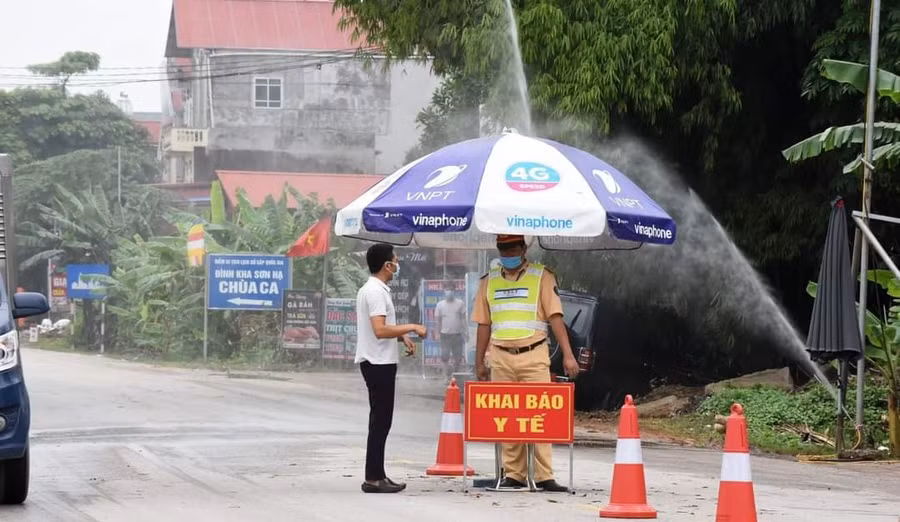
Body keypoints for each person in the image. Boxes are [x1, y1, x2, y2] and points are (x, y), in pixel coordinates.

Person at [473, 234, 580, 493]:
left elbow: (555, 318)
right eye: (502, 248)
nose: (506, 253)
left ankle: (543, 475)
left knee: (539, 416)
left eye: (511, 247)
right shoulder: (488, 281)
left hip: (533, 355)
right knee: (507, 418)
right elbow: (483, 325)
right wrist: (479, 363)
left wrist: (568, 354)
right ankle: (514, 474)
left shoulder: (542, 276)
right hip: (500, 356)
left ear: (523, 248)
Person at [355, 243, 427, 494]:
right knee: (380, 422)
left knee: (381, 421)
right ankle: (373, 478)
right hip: (377, 363)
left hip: (379, 360)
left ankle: (378, 474)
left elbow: (382, 330)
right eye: (395, 261)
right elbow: (379, 329)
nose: (397, 265)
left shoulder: (375, 289)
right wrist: (412, 328)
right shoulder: (375, 292)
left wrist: (401, 337)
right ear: (387, 265)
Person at [435, 284, 467, 381]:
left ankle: (454, 375)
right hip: (445, 335)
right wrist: (437, 333)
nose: (449, 292)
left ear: (454, 291)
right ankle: (445, 376)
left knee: (458, 357)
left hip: (457, 335)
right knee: (445, 356)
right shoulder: (440, 305)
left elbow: (463, 319)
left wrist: (466, 332)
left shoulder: (460, 303)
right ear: (444, 291)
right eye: (447, 289)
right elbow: (437, 321)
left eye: (451, 290)